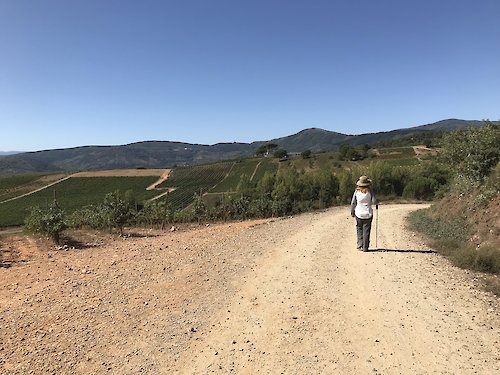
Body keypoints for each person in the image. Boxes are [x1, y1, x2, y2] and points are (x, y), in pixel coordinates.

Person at [350, 175, 378, 251]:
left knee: (359, 229)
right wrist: (376, 202)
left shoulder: (356, 192)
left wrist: (352, 212)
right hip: (368, 213)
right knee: (366, 230)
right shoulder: (370, 192)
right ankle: (365, 247)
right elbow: (374, 201)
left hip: (358, 213)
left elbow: (353, 203)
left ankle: (359, 245)